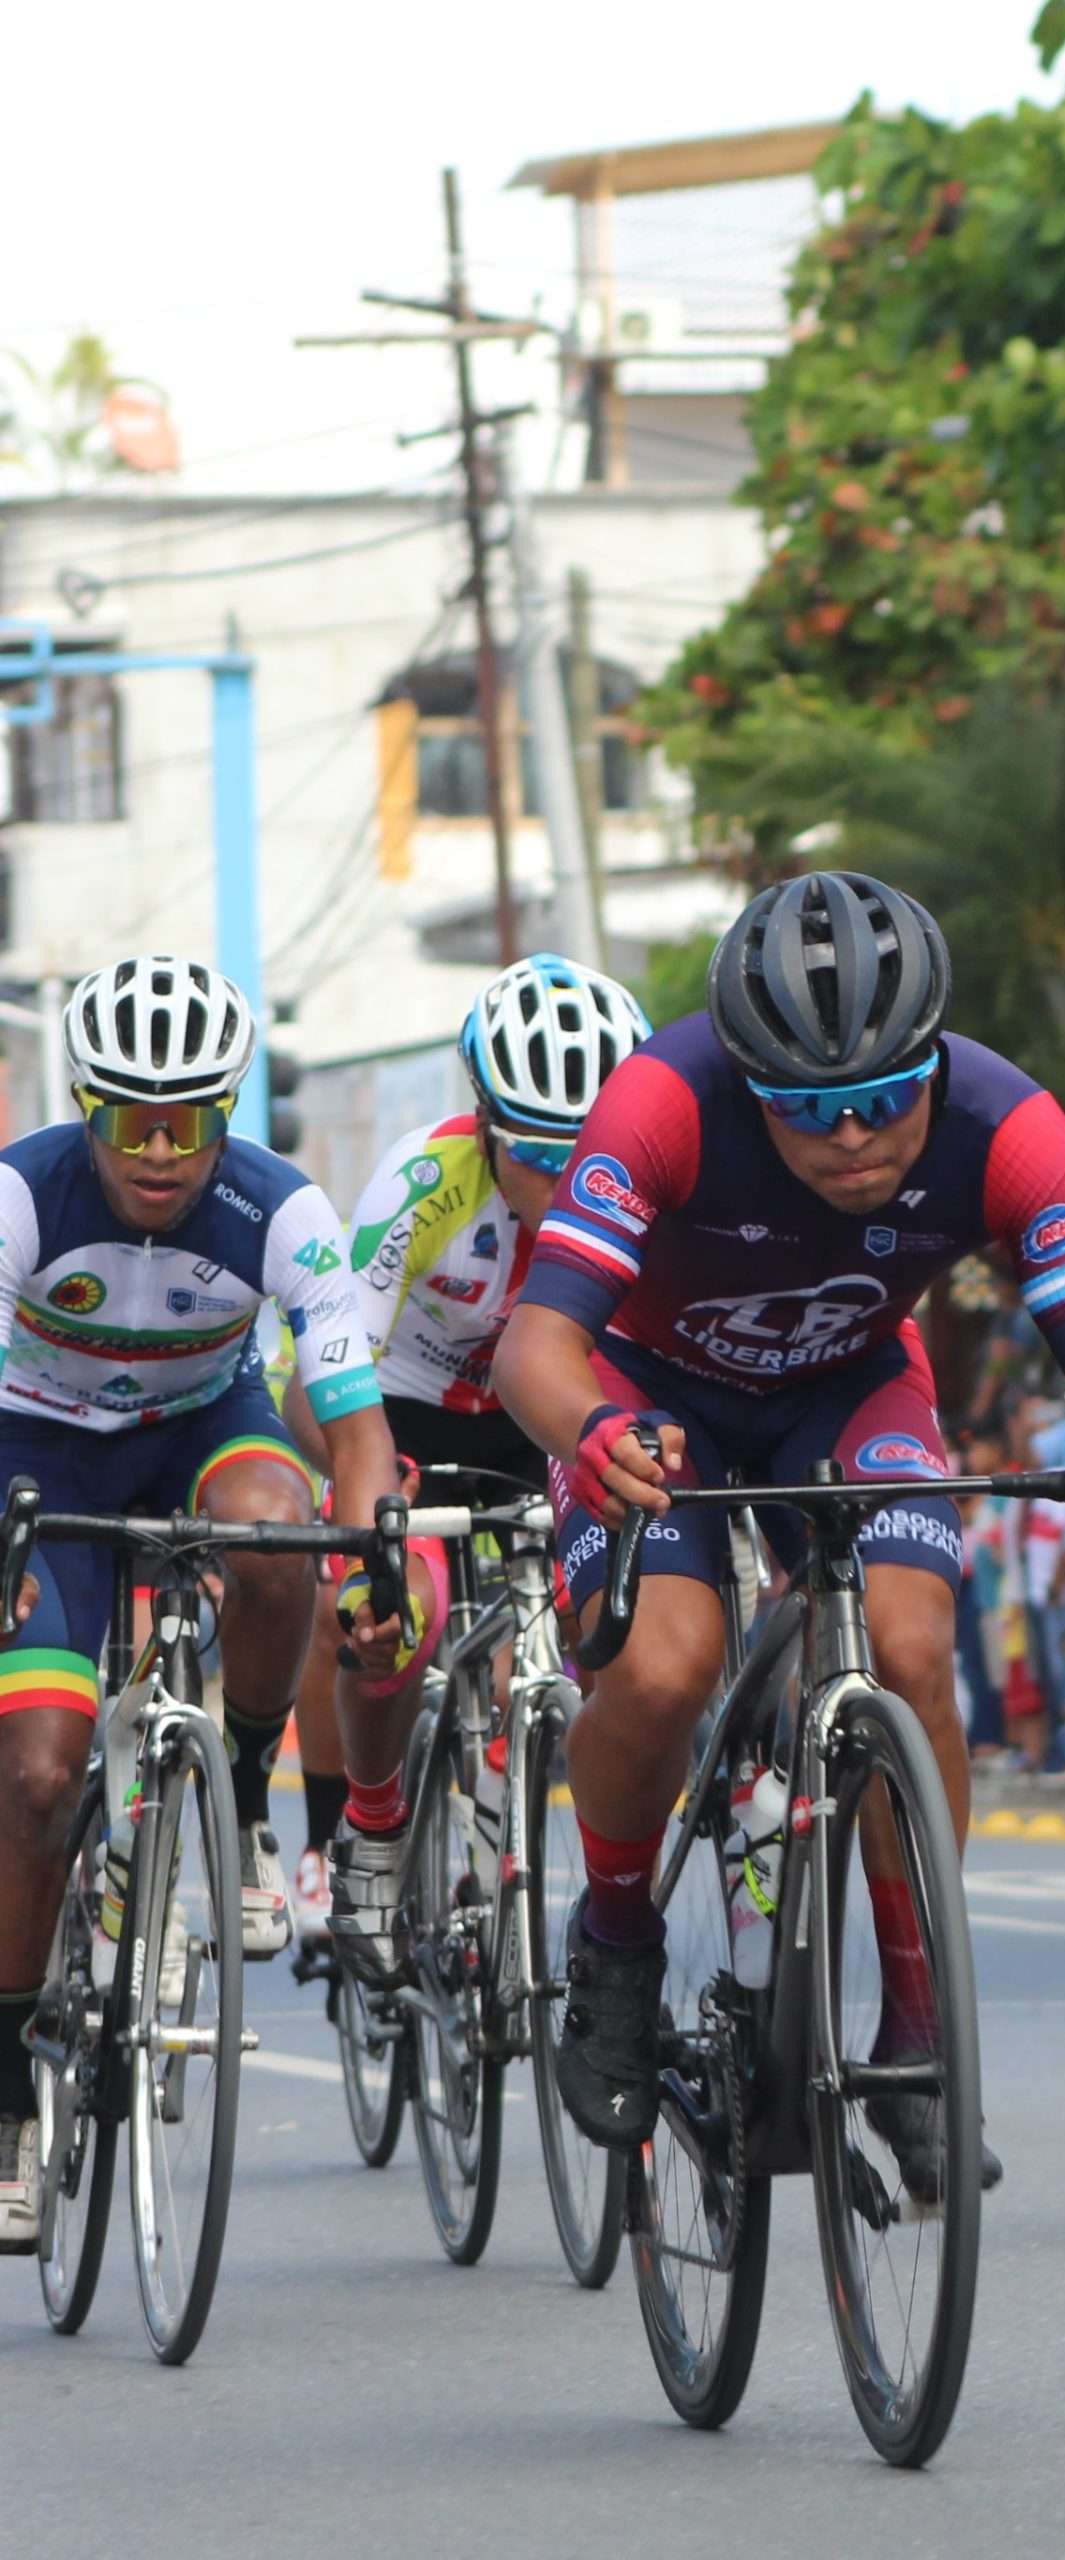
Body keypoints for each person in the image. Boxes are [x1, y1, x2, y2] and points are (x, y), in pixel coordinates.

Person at [495, 871, 1065, 2198]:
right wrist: (590, 1434)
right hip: (650, 1390)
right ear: (750, 1083)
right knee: (665, 1667)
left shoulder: (1013, 1125)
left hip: (848, 1381)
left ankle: (919, 2032)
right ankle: (618, 1938)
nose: (854, 1135)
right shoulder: (663, 1101)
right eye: (808, 1110)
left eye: (886, 1097)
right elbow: (537, 1345)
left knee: (915, 1647)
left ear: (938, 1061)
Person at [0, 957, 399, 2252]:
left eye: (189, 1119)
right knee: (39, 1774)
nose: (160, 1151)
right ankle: (7, 2109)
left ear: (229, 1109)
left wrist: (375, 1552)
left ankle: (237, 1793)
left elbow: (354, 1420)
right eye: (129, 1119)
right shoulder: (20, 1194)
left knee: (282, 1535)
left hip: (198, 1429)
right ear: (85, 1107)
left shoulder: (282, 1208)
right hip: (36, 1453)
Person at [322, 953, 653, 1981]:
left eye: (587, 1153)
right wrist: (367, 1498)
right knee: (394, 1627)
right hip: (404, 1410)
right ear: (485, 1124)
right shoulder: (424, 1181)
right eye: (536, 1156)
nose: (563, 1187)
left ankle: (521, 1788)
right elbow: (325, 1375)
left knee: (611, 1619)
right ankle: (372, 1827)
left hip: (536, 1419)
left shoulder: (651, 1187)